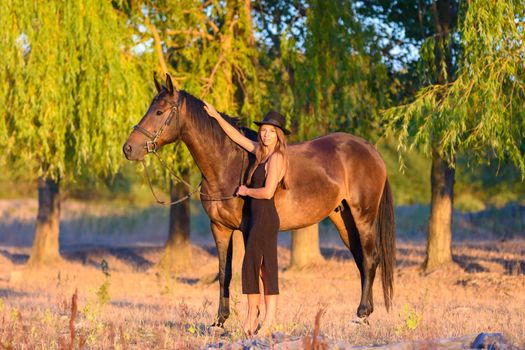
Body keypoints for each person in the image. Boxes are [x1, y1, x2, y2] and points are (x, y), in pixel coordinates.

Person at [203, 101, 290, 336]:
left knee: (266, 269)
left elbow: (268, 192)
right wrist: (216, 116)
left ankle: (269, 321)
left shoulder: (277, 158)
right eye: (263, 130)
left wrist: (245, 191)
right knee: (251, 269)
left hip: (266, 218)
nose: (265, 134)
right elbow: (236, 137)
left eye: (271, 131)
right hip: (253, 217)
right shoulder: (260, 153)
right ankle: (252, 317)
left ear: (278, 135)